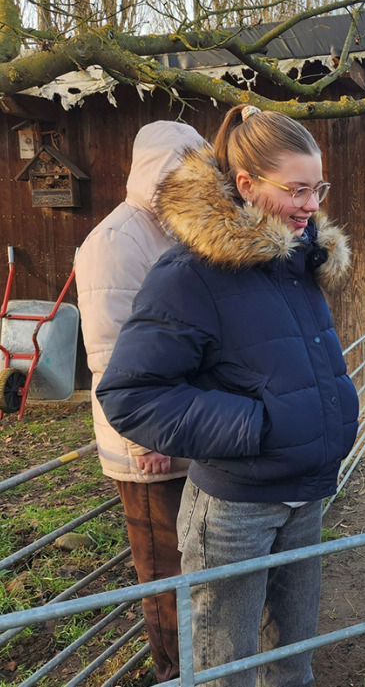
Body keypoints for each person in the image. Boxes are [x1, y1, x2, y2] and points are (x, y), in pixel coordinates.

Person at [96, 105, 358, 687]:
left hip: (306, 495)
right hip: (236, 509)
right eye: (296, 189)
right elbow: (131, 395)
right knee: (225, 671)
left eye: (318, 188)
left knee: (292, 665)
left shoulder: (295, 260)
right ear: (245, 184)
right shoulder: (189, 274)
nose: (312, 204)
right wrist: (256, 426)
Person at [76, 121, 206, 683]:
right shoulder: (116, 241)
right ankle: (174, 673)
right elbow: (111, 351)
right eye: (186, 171)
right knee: (164, 569)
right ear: (159, 170)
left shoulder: (175, 229)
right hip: (150, 445)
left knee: (197, 561)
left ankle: (204, 666)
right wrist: (144, 438)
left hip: (189, 426)